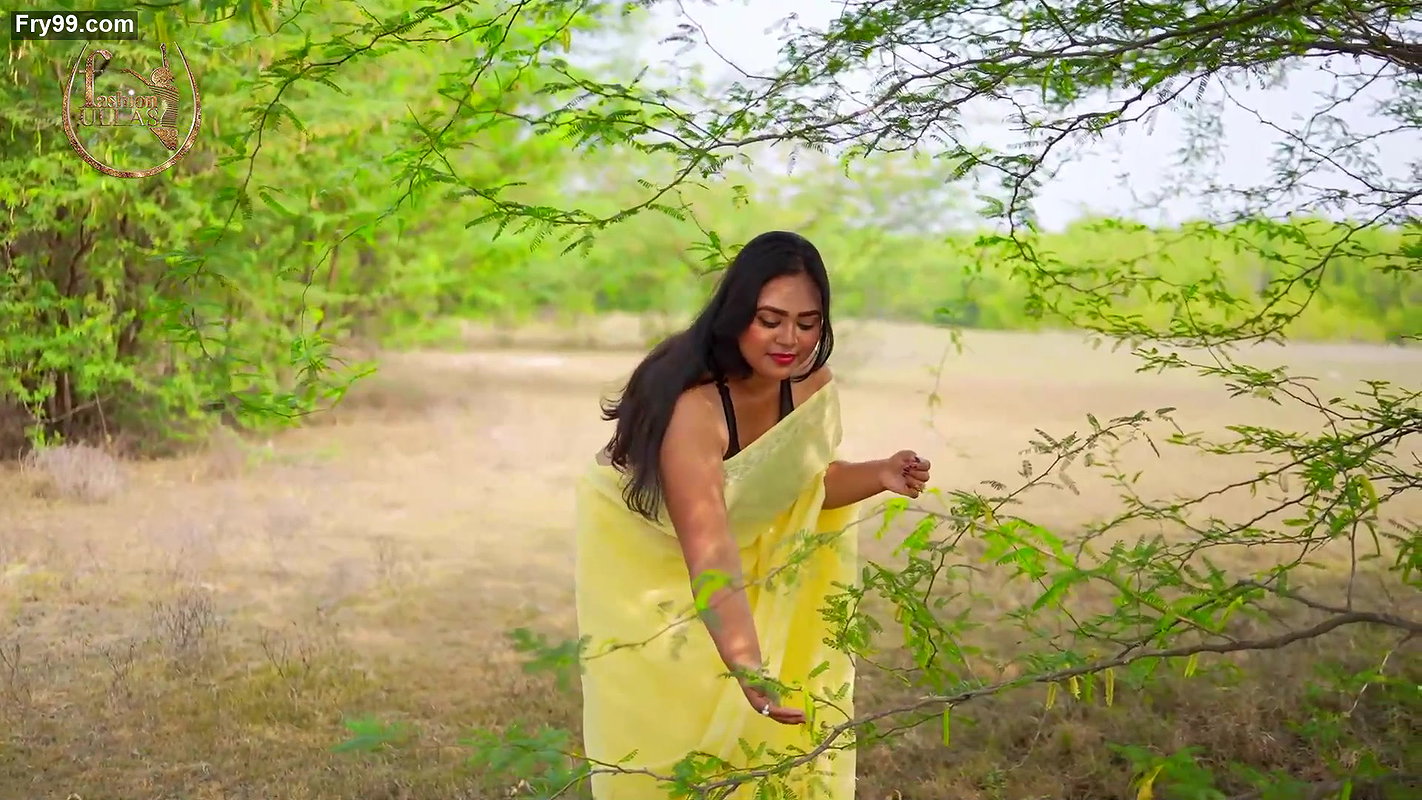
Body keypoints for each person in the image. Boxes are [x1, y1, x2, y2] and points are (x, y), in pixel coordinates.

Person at [574, 230, 932, 799]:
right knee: (669, 709)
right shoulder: (695, 410)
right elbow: (710, 552)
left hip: (716, 539)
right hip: (644, 542)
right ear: (738, 314)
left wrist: (879, 473)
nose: (789, 339)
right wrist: (747, 663)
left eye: (807, 322)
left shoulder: (811, 385)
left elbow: (794, 489)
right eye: (770, 319)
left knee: (766, 729)